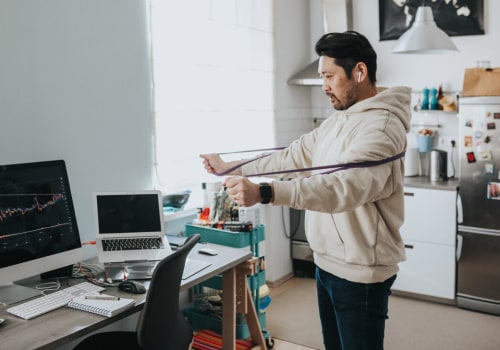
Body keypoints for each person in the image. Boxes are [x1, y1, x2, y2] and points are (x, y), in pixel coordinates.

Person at [201, 30, 411, 350]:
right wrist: (232, 166)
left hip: (360, 271)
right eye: (321, 76)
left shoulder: (381, 127)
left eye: (329, 75)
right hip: (328, 263)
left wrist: (266, 192)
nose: (324, 85)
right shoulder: (340, 120)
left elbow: (340, 189)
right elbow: (293, 155)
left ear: (359, 72)